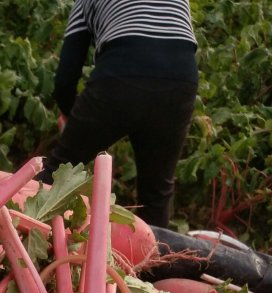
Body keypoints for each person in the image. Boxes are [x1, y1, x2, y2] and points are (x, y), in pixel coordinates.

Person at [38, 0, 199, 228]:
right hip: (181, 78)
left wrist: (69, 115)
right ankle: (155, 261)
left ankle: (15, 245)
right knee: (156, 195)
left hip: (122, 73)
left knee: (56, 173)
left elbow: (65, 79)